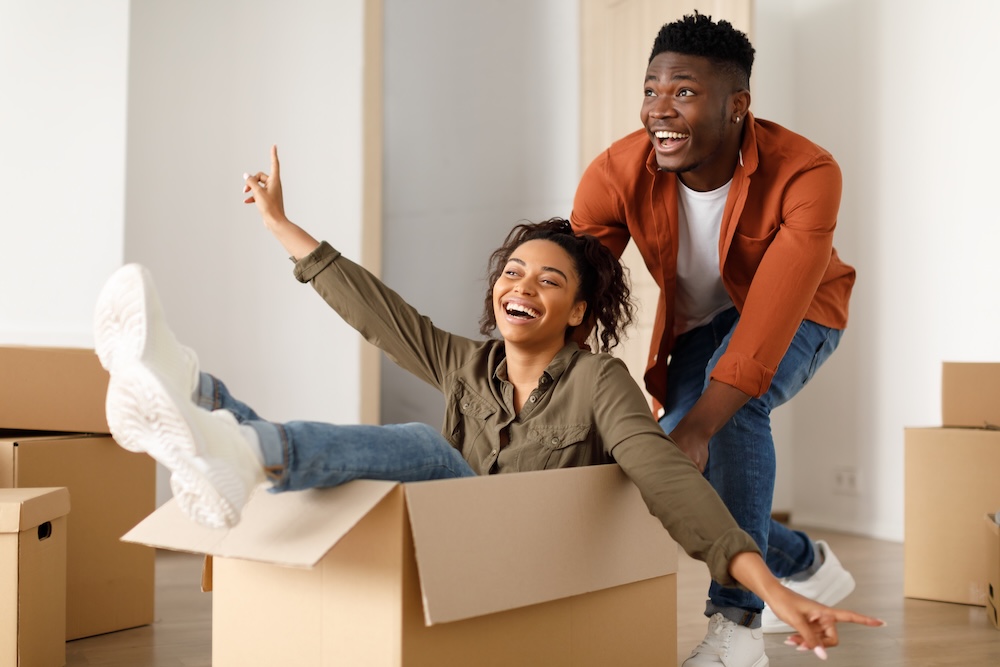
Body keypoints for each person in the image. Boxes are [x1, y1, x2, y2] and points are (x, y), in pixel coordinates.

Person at [93, 145, 880, 659]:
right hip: (452, 547)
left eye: (548, 279)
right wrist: (279, 224)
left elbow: (669, 479)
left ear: (577, 311)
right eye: (512, 272)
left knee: (427, 449)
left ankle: (237, 439)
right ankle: (194, 394)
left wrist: (765, 589)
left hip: (519, 550)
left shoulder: (597, 381)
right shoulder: (468, 364)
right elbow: (378, 312)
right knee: (410, 446)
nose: (521, 285)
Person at [570, 11, 858, 667]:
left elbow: (760, 336)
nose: (659, 111)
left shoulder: (808, 172)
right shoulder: (615, 172)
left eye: (684, 92)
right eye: (650, 90)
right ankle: (802, 561)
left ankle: (739, 626)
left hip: (802, 311)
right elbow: (574, 295)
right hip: (700, 325)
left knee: (726, 420)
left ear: (737, 106)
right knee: (671, 469)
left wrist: (698, 427)